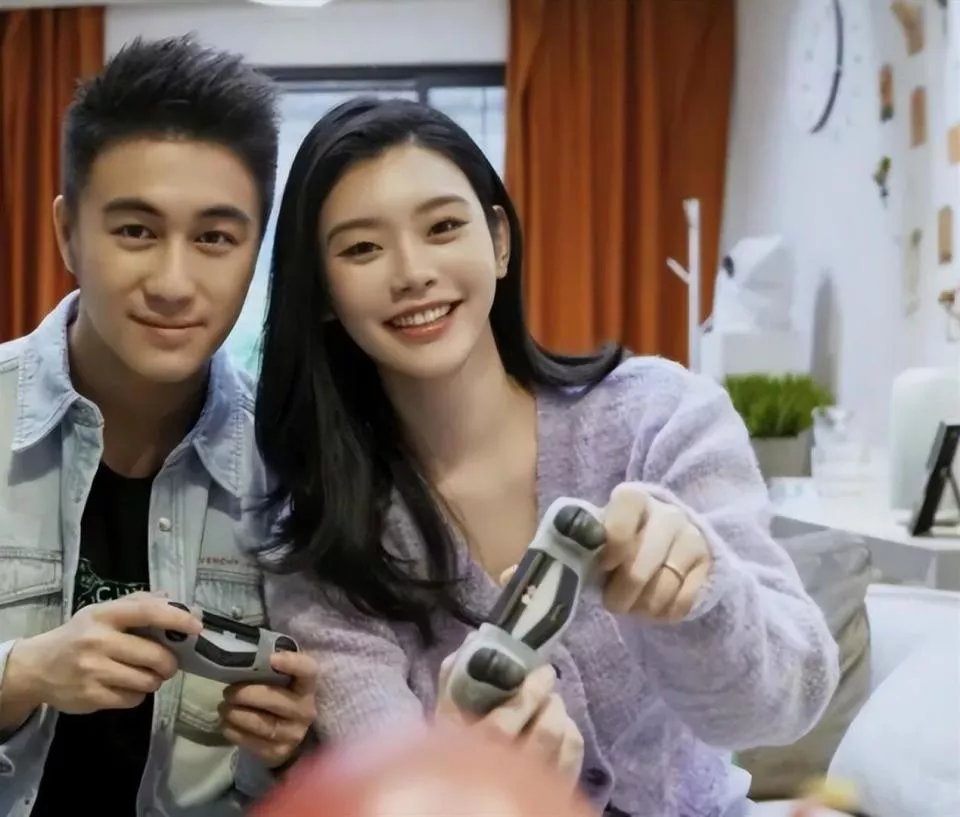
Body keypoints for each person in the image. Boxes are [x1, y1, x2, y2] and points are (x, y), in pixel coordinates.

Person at [254, 97, 840, 817]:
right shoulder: (324, 544)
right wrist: (458, 764)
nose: (412, 272)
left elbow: (789, 701)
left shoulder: (659, 418)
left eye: (443, 227)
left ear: (499, 241)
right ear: (321, 292)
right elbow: (387, 793)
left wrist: (700, 592)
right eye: (361, 249)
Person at [0, 36, 319, 817]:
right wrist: (22, 675)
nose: (174, 284)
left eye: (214, 238)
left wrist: (293, 748)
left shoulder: (294, 464)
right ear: (67, 233)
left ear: (256, 250)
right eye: (136, 231)